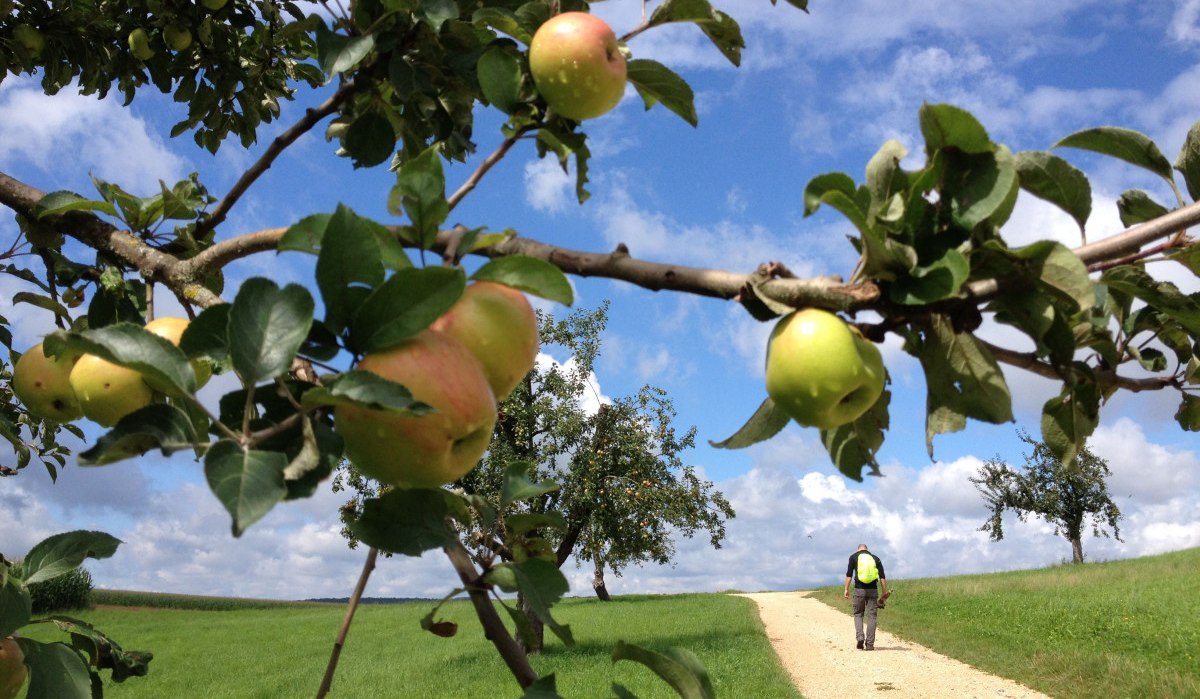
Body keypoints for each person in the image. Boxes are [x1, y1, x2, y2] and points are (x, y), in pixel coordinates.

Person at [843, 543, 887, 650]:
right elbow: (882, 577)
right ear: (867, 550)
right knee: (872, 616)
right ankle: (870, 644)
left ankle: (860, 637)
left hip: (859, 590)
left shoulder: (853, 557)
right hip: (873, 590)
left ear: (858, 550)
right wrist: (884, 592)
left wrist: (846, 589)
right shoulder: (875, 558)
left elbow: (849, 575)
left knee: (858, 614)